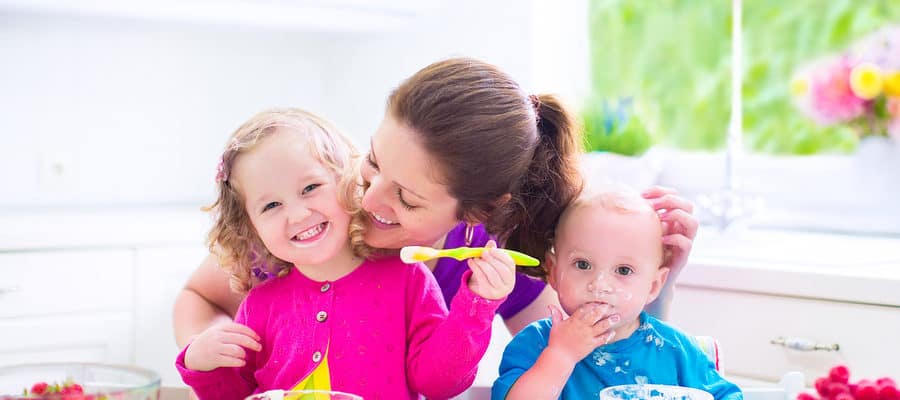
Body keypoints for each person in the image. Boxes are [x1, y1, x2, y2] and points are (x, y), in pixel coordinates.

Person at [173, 57, 698, 359]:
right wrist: (208, 343)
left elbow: (595, 357)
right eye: (373, 161)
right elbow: (198, 294)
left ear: (479, 214)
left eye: (406, 197)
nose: (368, 198)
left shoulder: (487, 258)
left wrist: (661, 281)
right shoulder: (313, 221)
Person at [176, 108, 515, 400]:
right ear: (251, 227)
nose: (297, 215)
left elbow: (441, 383)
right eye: (272, 205)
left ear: (348, 182)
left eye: (310, 188)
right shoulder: (259, 306)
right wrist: (201, 364)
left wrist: (476, 306)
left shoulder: (407, 279)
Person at [491, 187, 741, 400]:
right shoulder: (535, 344)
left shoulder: (678, 351)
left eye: (623, 270)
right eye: (583, 264)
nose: (600, 284)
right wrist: (561, 356)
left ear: (654, 285)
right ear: (554, 273)